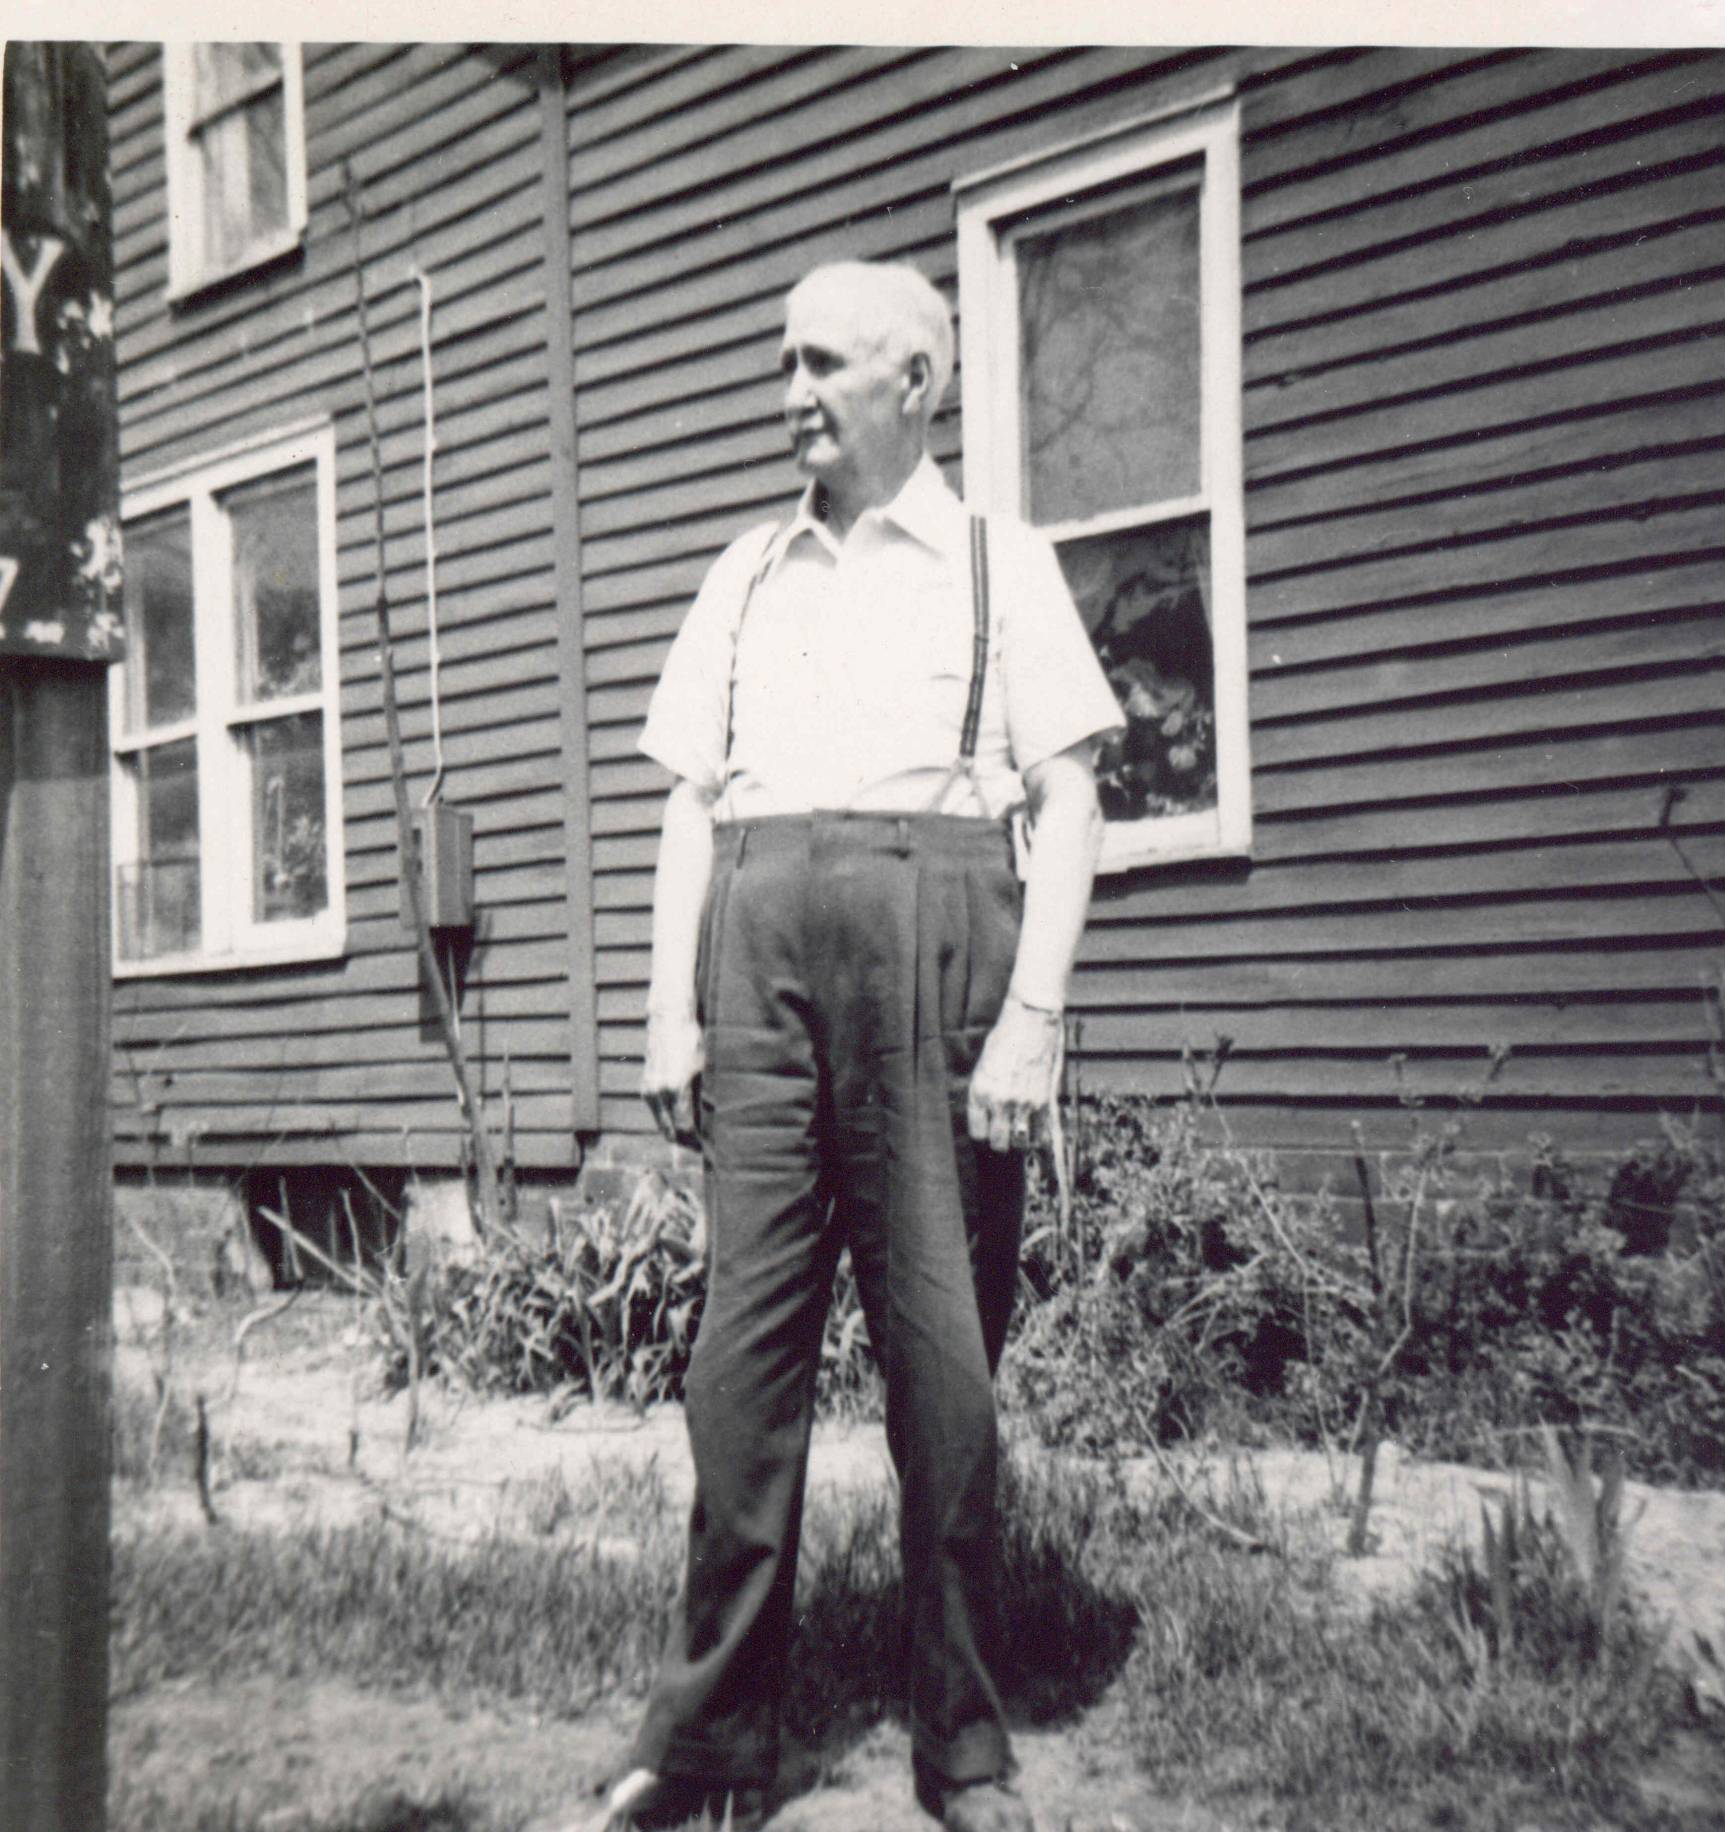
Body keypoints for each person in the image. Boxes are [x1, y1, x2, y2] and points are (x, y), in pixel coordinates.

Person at [602, 260, 1122, 1832]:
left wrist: (1033, 1016)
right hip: (759, 963)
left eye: (823, 363)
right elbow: (690, 804)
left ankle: (962, 1747)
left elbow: (1073, 799)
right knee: (737, 1373)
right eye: (784, 364)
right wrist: (668, 1005)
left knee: (945, 1379)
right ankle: (708, 1748)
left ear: (917, 380)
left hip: (935, 953)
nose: (793, 393)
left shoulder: (1000, 565)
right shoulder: (748, 571)